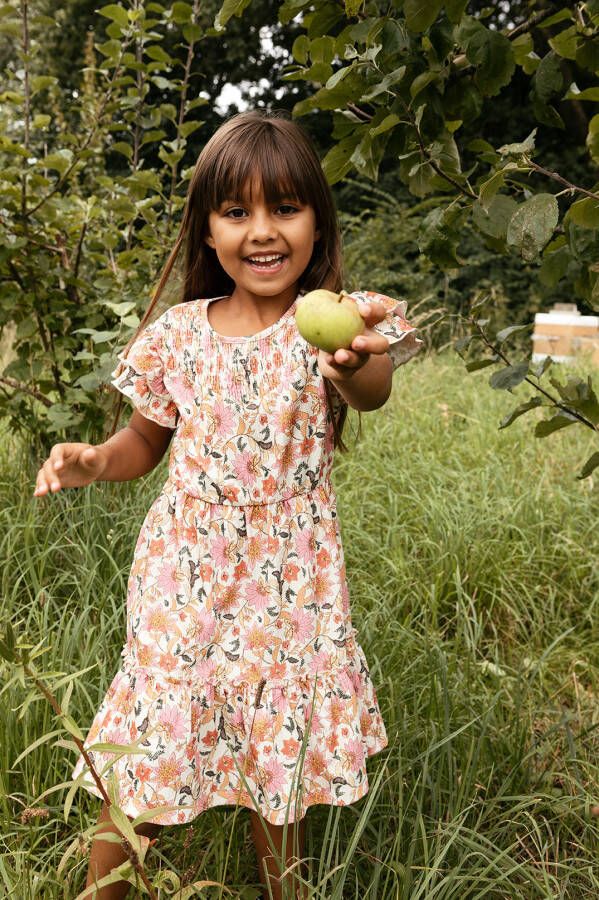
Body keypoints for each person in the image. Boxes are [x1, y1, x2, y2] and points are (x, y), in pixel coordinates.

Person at [33, 109, 423, 900]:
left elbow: (368, 388)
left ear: (316, 221)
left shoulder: (335, 325)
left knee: (278, 755)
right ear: (207, 232)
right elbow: (144, 444)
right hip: (186, 576)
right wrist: (93, 460)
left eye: (284, 207)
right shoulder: (179, 334)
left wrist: (350, 360)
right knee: (144, 750)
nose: (261, 231)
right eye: (236, 211)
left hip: (291, 583)